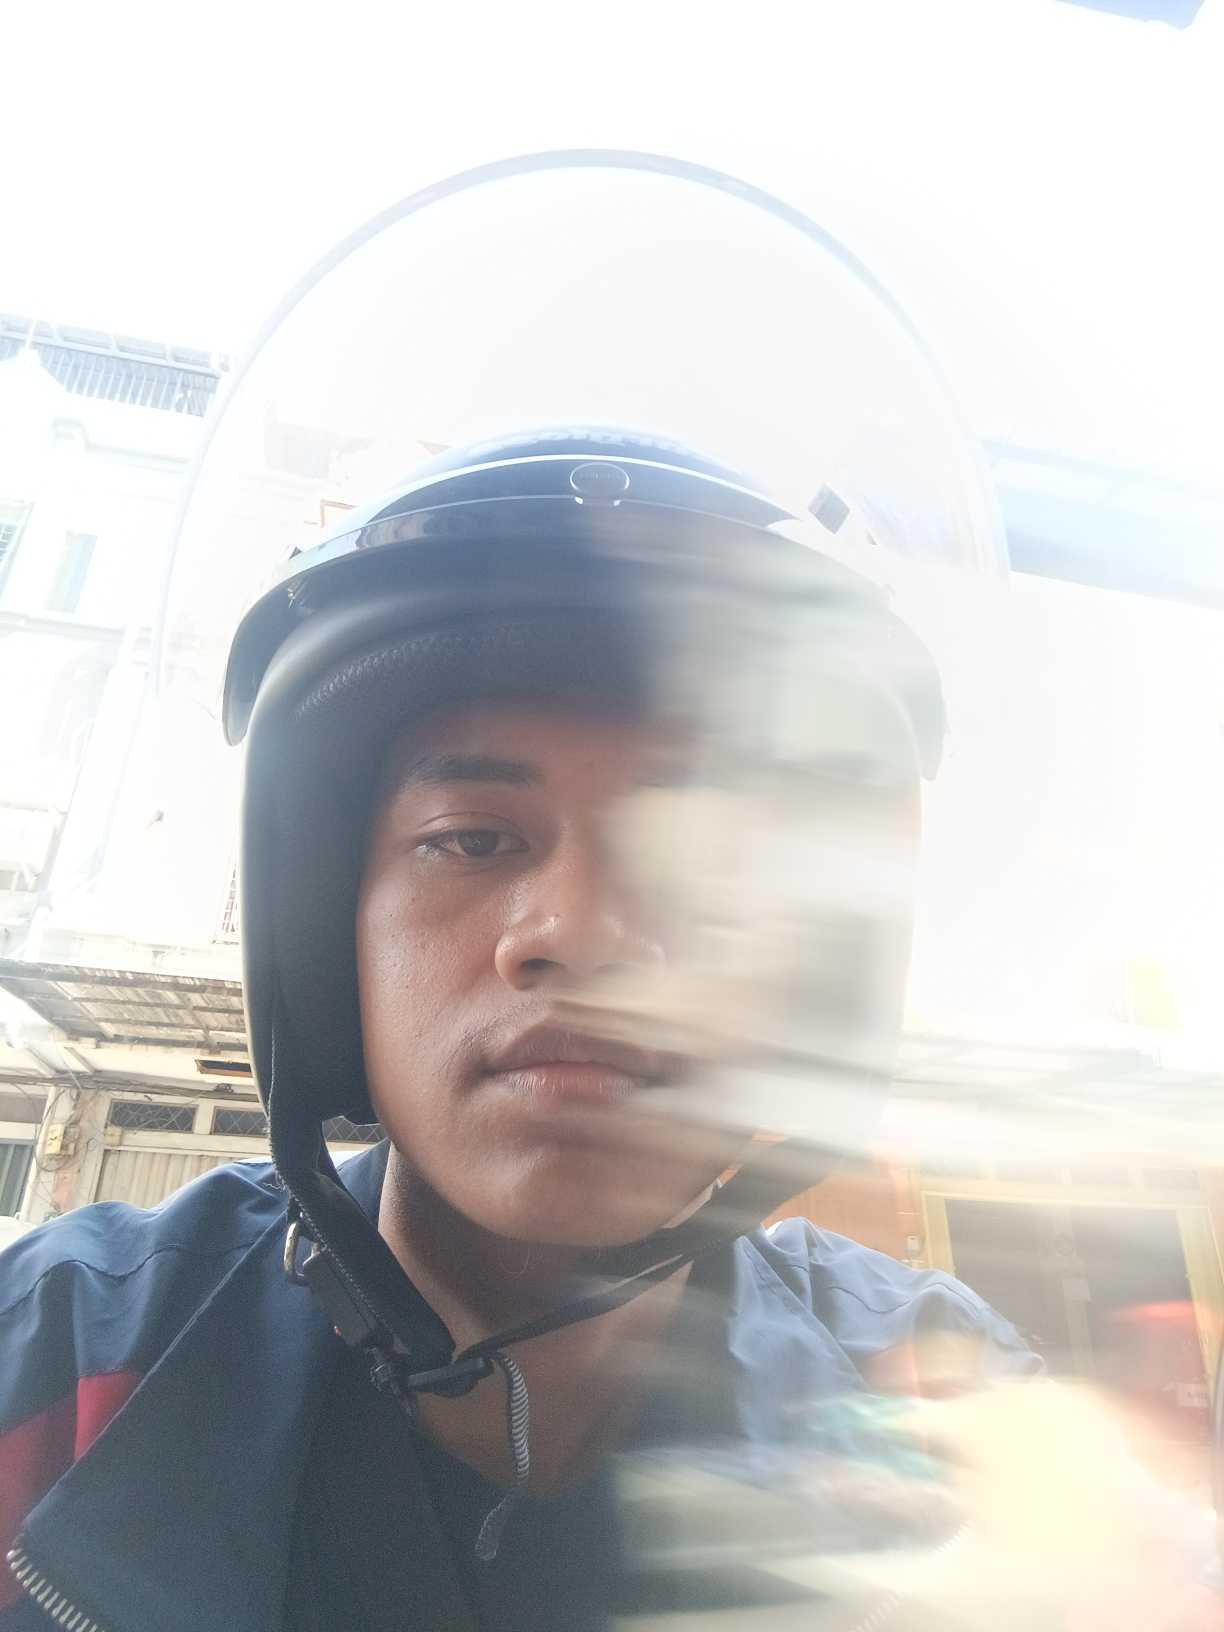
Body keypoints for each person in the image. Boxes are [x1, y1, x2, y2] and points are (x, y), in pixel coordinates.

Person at [0, 429, 1045, 1632]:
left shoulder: (950, 1409)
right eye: (473, 838)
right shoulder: (61, 1358)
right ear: (330, 946)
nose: (581, 934)